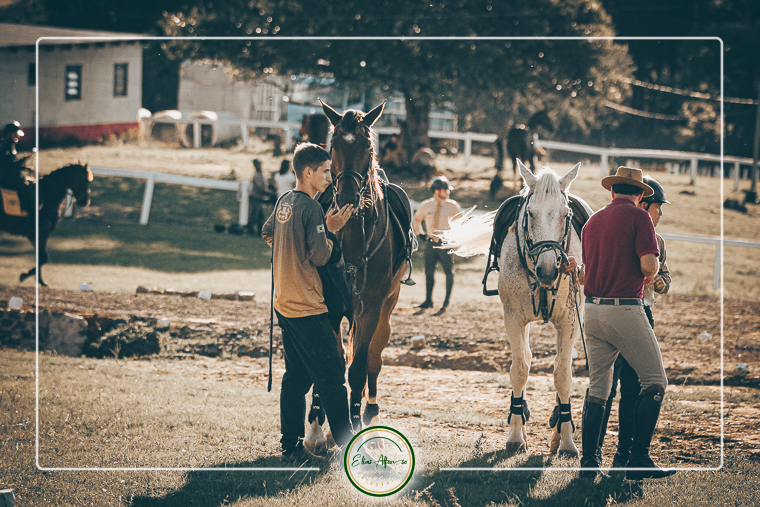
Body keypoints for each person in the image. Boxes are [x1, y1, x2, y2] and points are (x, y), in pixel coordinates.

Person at [567, 166, 676, 480]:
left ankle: (589, 464)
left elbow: (585, 275)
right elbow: (649, 267)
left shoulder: (592, 222)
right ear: (640, 194)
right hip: (625, 308)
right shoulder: (640, 218)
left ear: (612, 191)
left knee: (598, 388)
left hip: (592, 311)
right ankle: (637, 459)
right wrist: (652, 267)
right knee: (655, 382)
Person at [261, 143, 355, 463]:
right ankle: (349, 449)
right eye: (326, 171)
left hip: (284, 303)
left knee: (297, 378)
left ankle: (291, 448)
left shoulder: (284, 200)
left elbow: (268, 232)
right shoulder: (312, 208)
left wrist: (292, 251)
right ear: (308, 172)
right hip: (307, 307)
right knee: (332, 378)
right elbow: (320, 256)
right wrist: (331, 230)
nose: (330, 177)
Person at [598, 175, 672, 468]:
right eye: (657, 206)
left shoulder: (658, 241)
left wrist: (659, 282)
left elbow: (664, 277)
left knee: (631, 388)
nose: (660, 213)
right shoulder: (621, 231)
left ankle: (623, 454)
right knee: (607, 387)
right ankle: (598, 453)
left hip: (641, 312)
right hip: (624, 311)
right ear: (643, 203)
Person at [412, 175, 461, 315]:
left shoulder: (453, 206)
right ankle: (428, 300)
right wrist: (420, 233)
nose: (448, 192)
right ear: (437, 191)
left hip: (446, 244)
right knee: (428, 272)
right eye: (445, 190)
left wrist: (455, 237)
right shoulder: (426, 205)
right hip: (431, 243)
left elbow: (461, 222)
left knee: (448, 272)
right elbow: (416, 219)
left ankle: (446, 302)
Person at [0, 121, 33, 213]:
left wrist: (24, 167)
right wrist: (24, 159)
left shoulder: (10, 145)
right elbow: (9, 166)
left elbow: (11, 164)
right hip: (8, 179)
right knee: (31, 194)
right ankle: (33, 216)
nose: (17, 136)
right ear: (9, 134)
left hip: (11, 177)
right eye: (15, 134)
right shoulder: (5, 147)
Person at [246, 159, 275, 236]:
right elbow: (260, 189)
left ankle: (260, 231)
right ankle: (249, 230)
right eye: (258, 164)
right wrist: (269, 193)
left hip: (259, 197)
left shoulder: (261, 175)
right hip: (255, 197)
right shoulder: (257, 175)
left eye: (260, 164)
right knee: (255, 215)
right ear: (255, 166)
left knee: (260, 216)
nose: (259, 166)